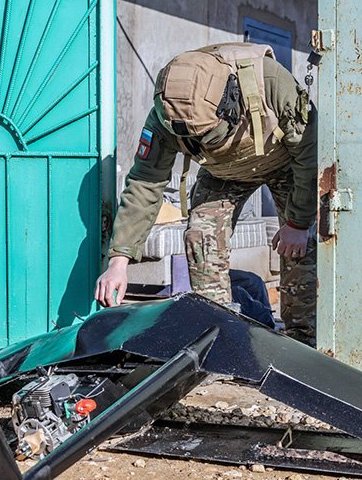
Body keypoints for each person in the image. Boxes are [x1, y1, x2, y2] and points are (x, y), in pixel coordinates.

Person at [94, 42, 317, 346]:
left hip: (285, 164)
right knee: (200, 237)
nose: (199, 142)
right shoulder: (165, 114)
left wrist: (298, 223)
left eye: (206, 135)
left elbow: (309, 153)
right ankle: (219, 338)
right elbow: (146, 182)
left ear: (231, 100)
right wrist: (118, 261)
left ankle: (304, 341)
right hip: (222, 172)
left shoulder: (269, 81)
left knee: (302, 247)